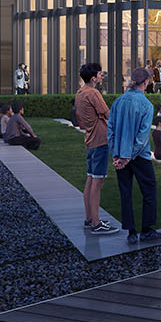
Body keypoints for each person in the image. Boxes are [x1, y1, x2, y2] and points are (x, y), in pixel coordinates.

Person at [109, 68, 161, 245]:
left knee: (126, 192)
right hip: (139, 156)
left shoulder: (117, 102)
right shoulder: (147, 105)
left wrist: (117, 155)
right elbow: (142, 136)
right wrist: (128, 156)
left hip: (120, 155)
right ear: (146, 82)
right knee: (149, 190)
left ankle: (131, 232)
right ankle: (146, 230)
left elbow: (110, 130)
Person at [73, 62, 116, 234]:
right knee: (98, 182)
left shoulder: (80, 93)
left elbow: (81, 118)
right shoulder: (93, 93)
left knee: (91, 179)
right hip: (100, 140)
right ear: (93, 78)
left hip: (90, 140)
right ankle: (96, 223)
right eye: (99, 74)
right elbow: (108, 113)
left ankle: (90, 218)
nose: (101, 76)